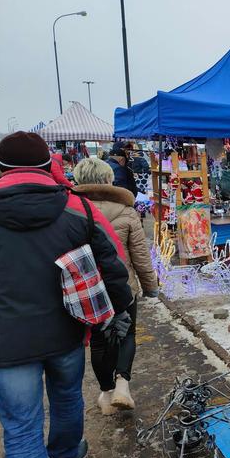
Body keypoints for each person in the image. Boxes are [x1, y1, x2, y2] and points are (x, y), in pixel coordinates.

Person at [0, 132, 133, 458]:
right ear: (48, 165)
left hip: (6, 344)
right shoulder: (77, 207)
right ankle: (65, 456)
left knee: (21, 432)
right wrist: (121, 312)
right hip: (65, 333)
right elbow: (113, 264)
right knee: (67, 397)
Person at [73, 158, 158, 415]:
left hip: (89, 289)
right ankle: (123, 385)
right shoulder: (126, 210)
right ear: (109, 180)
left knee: (99, 341)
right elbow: (140, 254)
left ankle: (106, 392)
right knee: (127, 333)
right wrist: (150, 286)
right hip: (123, 285)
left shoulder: (72, 209)